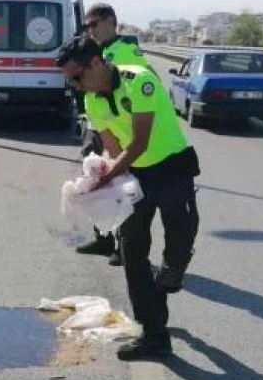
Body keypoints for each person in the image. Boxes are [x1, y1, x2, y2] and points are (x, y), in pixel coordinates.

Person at [57, 35, 199, 361]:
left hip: (173, 169)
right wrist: (99, 179)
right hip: (136, 176)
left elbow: (140, 143)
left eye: (78, 77)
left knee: (180, 239)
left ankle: (171, 273)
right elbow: (115, 148)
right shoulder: (93, 100)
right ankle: (154, 335)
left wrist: (108, 174)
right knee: (132, 252)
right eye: (70, 82)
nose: (78, 86)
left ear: (96, 63)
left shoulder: (140, 80)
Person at [74, 3, 155, 267]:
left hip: (115, 130)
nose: (90, 30)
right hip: (98, 124)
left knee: (120, 188)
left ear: (112, 22)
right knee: (100, 182)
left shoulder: (123, 53)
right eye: (87, 26)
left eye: (95, 24)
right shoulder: (102, 51)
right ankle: (104, 236)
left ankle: (122, 244)